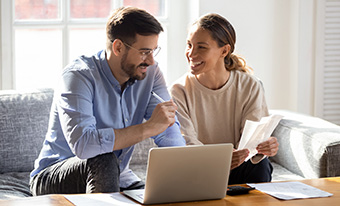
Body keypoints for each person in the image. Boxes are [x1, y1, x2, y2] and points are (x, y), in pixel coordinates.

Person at [30, 6, 185, 195]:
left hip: (118, 176)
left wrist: (184, 172)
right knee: (103, 159)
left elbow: (168, 129)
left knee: (160, 196)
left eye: (154, 51)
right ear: (118, 47)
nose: (151, 61)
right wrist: (148, 128)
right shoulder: (78, 77)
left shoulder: (150, 73)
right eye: (145, 52)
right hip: (54, 175)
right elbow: (84, 145)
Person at [170, 13, 278, 184]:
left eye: (201, 47)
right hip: (200, 169)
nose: (191, 53)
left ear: (224, 50)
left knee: (260, 165)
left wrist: (264, 147)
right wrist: (221, 159)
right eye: (189, 45)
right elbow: (187, 144)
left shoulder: (250, 85)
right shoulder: (178, 91)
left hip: (240, 166)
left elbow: (252, 140)